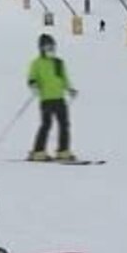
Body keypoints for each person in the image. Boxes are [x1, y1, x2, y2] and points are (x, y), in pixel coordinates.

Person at [28, 34, 78, 162]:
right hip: (46, 99)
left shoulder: (59, 63)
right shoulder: (37, 63)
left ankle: (63, 150)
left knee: (64, 124)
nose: (50, 49)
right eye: (47, 47)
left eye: (52, 46)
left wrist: (70, 89)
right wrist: (34, 85)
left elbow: (64, 78)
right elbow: (32, 77)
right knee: (46, 124)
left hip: (60, 98)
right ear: (41, 48)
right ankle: (38, 151)